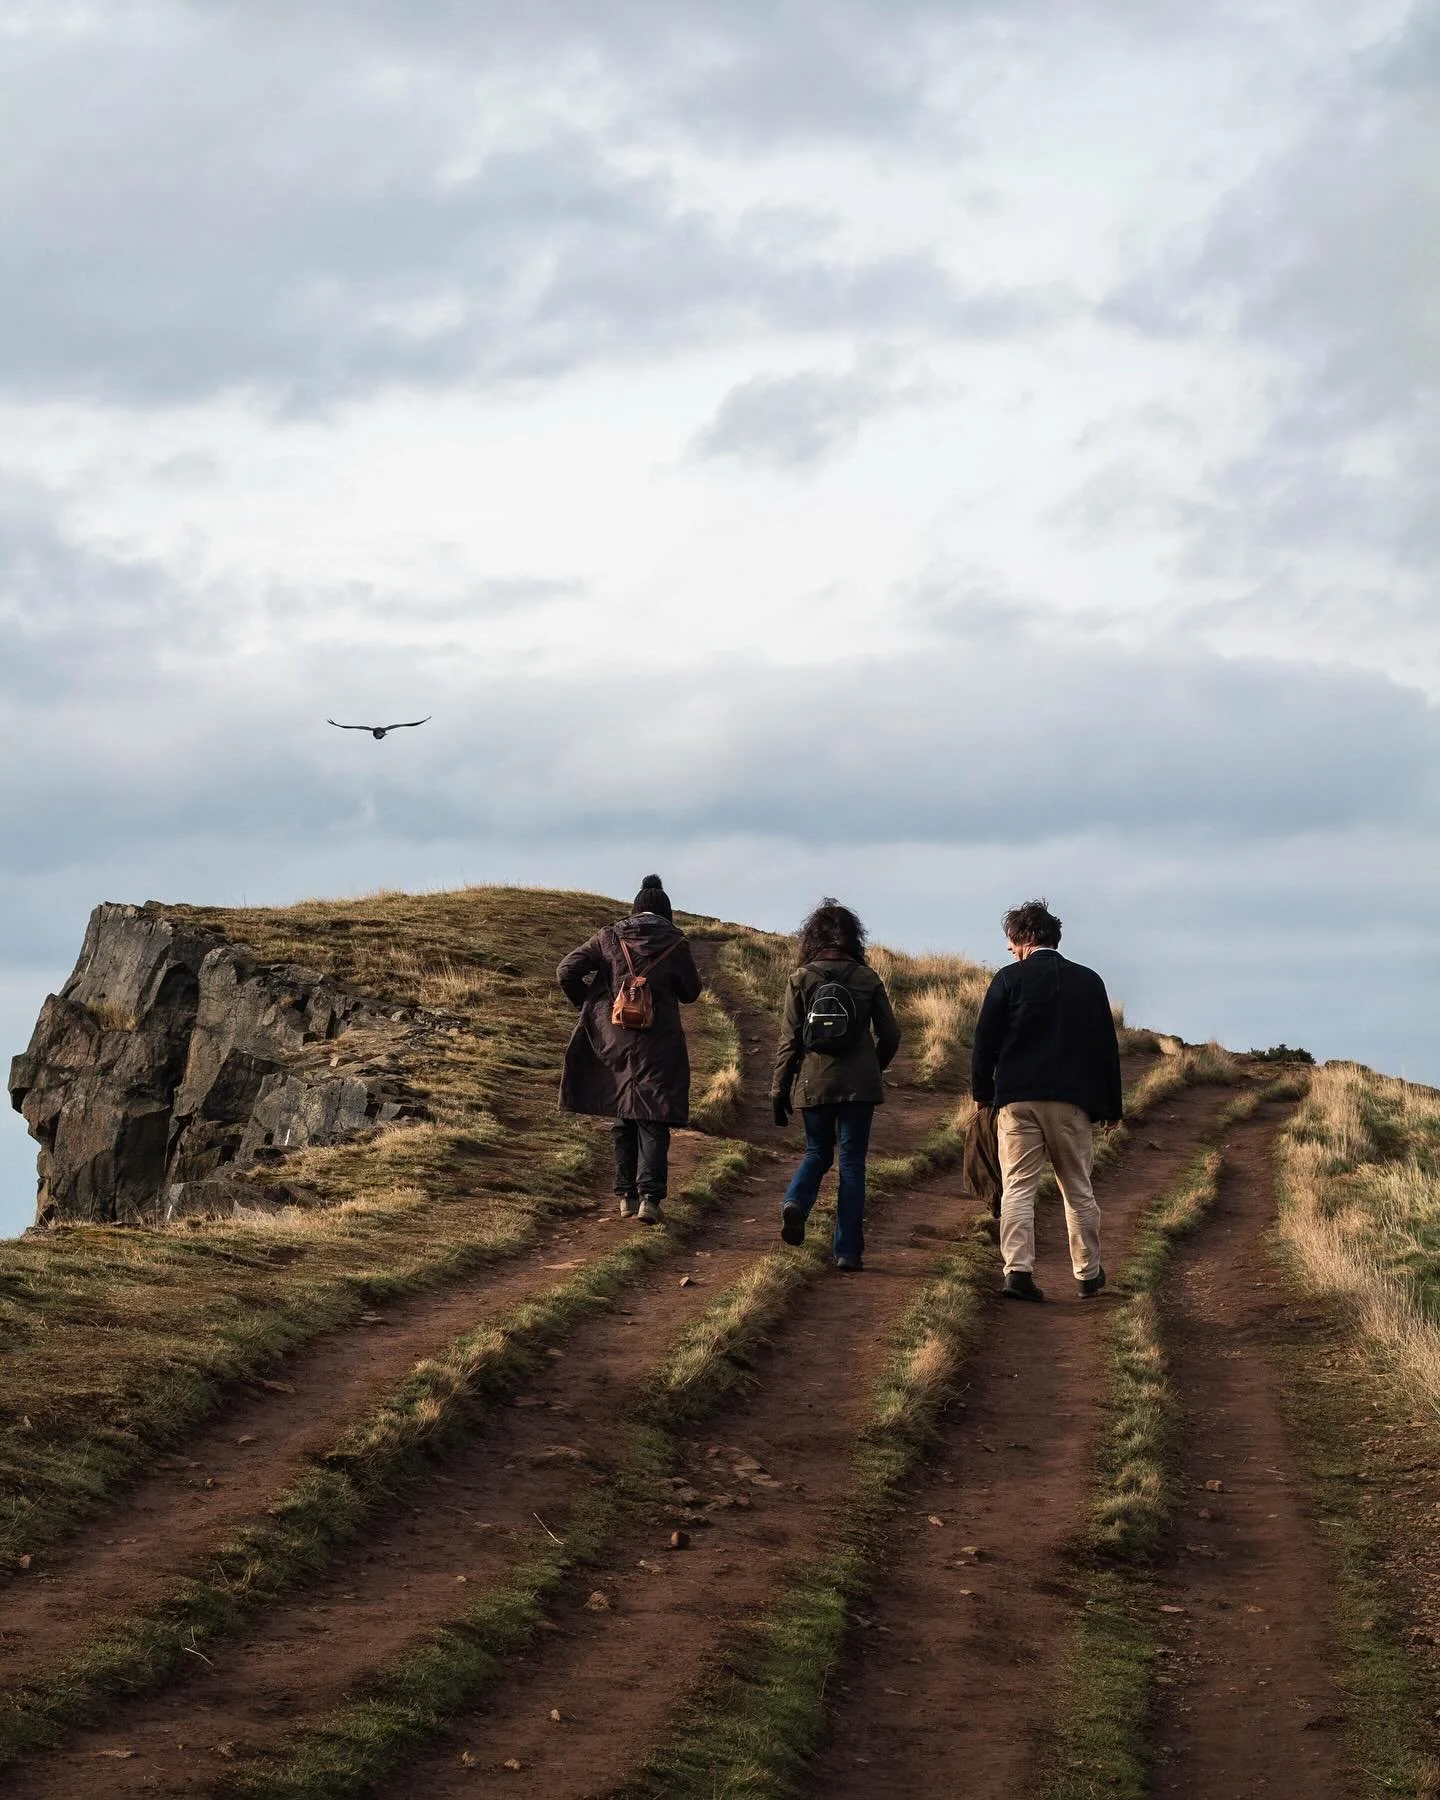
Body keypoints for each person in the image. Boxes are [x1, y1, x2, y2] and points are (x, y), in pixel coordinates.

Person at [971, 898, 1122, 1302]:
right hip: (1072, 1102)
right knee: (1077, 1187)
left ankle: (1017, 1272)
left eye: (1012, 940)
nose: (1009, 948)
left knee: (1018, 1187)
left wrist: (982, 1095)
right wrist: (1112, 1107)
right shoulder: (1089, 982)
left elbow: (984, 1041)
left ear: (1027, 938)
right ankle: (1088, 1275)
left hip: (1017, 1100)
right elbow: (1106, 1047)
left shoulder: (1008, 979)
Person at [557, 875, 702, 1223]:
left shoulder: (609, 937)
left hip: (614, 1038)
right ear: (666, 912)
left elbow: (566, 970)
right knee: (654, 1117)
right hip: (660, 1042)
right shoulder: (675, 942)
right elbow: (691, 992)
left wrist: (592, 1007)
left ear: (635, 909)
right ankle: (650, 1200)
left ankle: (625, 1196)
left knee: (623, 1114)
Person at [770, 899, 901, 1271]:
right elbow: (890, 1034)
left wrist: (778, 1090)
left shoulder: (801, 978)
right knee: (853, 1164)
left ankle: (795, 1201)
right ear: (853, 938)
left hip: (813, 1082)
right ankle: (848, 1252)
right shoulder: (867, 977)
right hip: (859, 1085)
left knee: (816, 1152)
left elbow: (789, 1041)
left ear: (813, 937)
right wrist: (874, 1067)